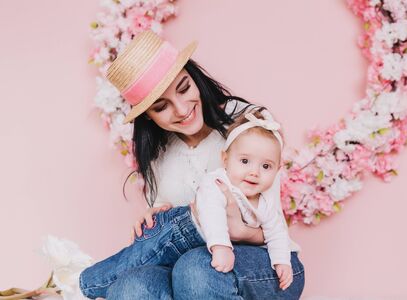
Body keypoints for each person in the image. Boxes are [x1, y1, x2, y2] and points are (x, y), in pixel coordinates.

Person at [84, 30, 305, 299]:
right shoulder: (158, 154)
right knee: (130, 286)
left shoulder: (246, 123)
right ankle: (85, 285)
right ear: (149, 117)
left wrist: (239, 231)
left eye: (184, 88)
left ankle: (85, 284)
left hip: (269, 262)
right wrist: (152, 216)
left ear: (195, 77)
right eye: (161, 106)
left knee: (196, 268)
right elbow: (169, 233)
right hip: (186, 265)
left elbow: (274, 225)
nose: (181, 109)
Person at [79, 110, 299, 298]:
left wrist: (281, 261)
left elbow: (276, 230)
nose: (254, 171)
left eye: (266, 167)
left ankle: (93, 285)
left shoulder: (263, 198)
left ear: (277, 169)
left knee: (192, 268)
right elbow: (211, 212)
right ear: (225, 160)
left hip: (201, 251)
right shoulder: (219, 181)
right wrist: (221, 246)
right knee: (133, 265)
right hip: (177, 228)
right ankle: (88, 283)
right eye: (244, 162)